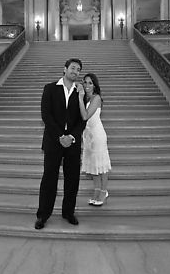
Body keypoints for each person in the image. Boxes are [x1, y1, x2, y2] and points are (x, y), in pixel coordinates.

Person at [35, 58, 86, 230]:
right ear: (64, 69)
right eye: (73, 68)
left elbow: (82, 120)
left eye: (78, 70)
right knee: (49, 179)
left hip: (72, 142)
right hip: (53, 141)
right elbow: (46, 115)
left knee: (73, 180)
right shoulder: (50, 88)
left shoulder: (81, 92)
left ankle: (68, 212)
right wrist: (60, 136)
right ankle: (42, 215)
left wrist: (71, 136)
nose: (76, 71)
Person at [77, 73, 112, 206]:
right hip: (87, 136)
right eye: (85, 82)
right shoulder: (86, 98)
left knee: (101, 165)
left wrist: (80, 98)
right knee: (93, 165)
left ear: (95, 85)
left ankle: (104, 191)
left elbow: (85, 116)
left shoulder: (96, 98)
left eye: (90, 83)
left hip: (97, 135)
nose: (87, 85)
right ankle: (97, 190)